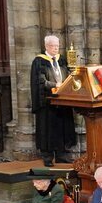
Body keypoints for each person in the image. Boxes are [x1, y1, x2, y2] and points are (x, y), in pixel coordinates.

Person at [30, 35, 76, 166]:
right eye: (53, 46)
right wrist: (55, 85)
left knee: (63, 127)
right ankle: (47, 157)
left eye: (57, 46)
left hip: (62, 100)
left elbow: (68, 75)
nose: (56, 48)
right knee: (47, 130)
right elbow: (40, 81)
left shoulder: (62, 60)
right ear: (47, 46)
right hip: (47, 102)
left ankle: (62, 155)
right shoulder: (39, 61)